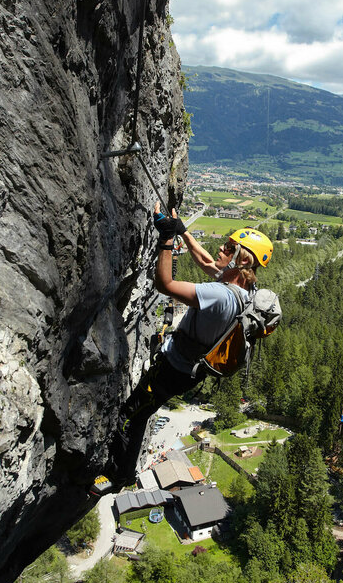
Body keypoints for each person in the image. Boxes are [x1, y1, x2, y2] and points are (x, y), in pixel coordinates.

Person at [90, 204, 273, 496]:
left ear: (241, 260)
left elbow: (165, 284)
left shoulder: (220, 295)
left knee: (132, 415)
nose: (220, 250)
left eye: (228, 248)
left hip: (175, 368)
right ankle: (121, 470)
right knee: (140, 411)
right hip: (188, 368)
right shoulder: (243, 291)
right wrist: (182, 231)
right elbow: (205, 262)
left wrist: (166, 239)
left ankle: (119, 475)